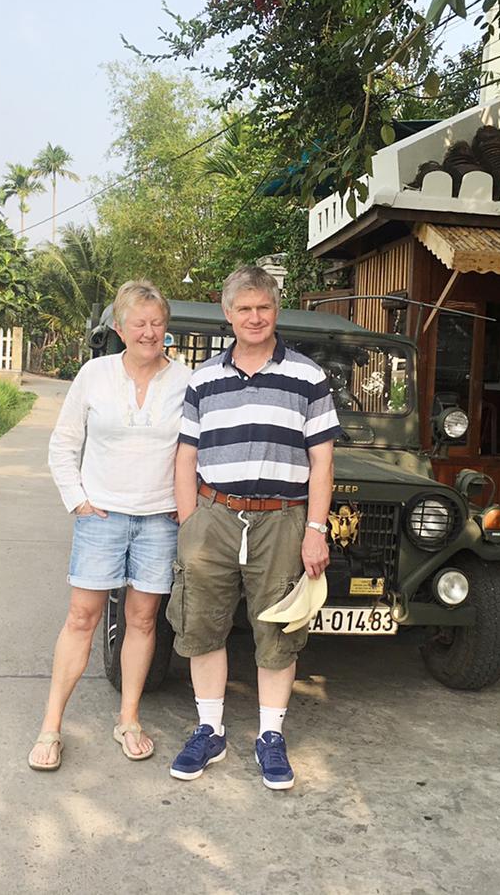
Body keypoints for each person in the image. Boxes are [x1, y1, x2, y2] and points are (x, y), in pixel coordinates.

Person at [168, 265, 341, 790]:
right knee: (202, 625)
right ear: (228, 315)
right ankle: (209, 729)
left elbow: (323, 463)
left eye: (263, 307)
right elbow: (185, 457)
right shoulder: (203, 380)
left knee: (278, 629)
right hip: (212, 517)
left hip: (282, 520)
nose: (254, 317)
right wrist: (189, 523)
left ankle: (270, 735)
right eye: (243, 309)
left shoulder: (308, 377)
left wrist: (316, 528)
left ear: (276, 310)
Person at [30, 280, 191, 771]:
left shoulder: (185, 381)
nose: (148, 332)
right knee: (82, 618)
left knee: (143, 621)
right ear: (119, 328)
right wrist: (77, 501)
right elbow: (64, 444)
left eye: (157, 323)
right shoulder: (94, 375)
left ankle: (128, 720)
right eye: (138, 323)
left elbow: (196, 451)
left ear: (167, 328)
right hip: (101, 517)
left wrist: (181, 507)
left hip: (158, 521)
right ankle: (50, 728)